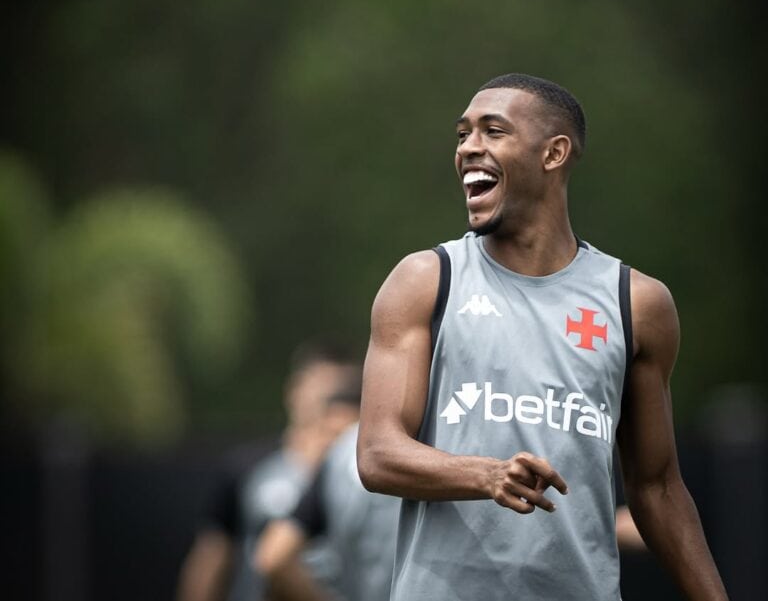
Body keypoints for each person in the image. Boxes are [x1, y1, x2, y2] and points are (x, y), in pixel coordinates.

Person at [357, 73, 728, 601]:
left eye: (493, 131)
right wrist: (486, 475)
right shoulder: (426, 280)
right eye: (463, 134)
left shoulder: (636, 303)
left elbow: (657, 488)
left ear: (553, 153)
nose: (468, 149)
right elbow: (377, 453)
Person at [176, 343, 359, 601]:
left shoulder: (360, 478)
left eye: (341, 390)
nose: (328, 399)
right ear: (293, 392)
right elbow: (212, 556)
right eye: (320, 386)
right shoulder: (247, 467)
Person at [255, 390, 400, 601]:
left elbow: (274, 558)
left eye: (338, 435)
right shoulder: (418, 458)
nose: (327, 444)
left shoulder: (335, 467)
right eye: (323, 432)